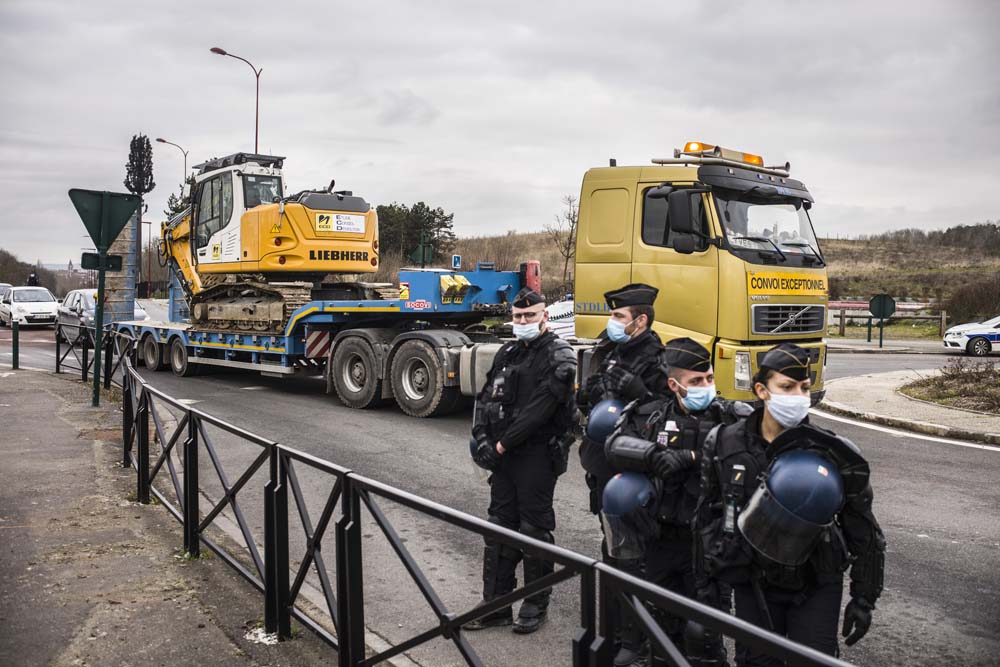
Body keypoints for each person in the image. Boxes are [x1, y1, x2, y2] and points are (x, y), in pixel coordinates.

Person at [694, 343, 885, 665]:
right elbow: (707, 516)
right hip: (752, 580)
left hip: (814, 583)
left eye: (804, 387)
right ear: (761, 390)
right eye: (786, 387)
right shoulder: (725, 442)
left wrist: (864, 598)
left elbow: (863, 527)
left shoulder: (833, 451)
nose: (798, 396)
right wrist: (705, 593)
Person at [605, 337, 749, 666]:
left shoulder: (732, 418)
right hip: (662, 539)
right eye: (696, 381)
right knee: (660, 628)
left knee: (704, 635)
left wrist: (693, 456)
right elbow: (613, 445)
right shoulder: (650, 416)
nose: (705, 386)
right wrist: (654, 455)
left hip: (709, 544)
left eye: (709, 379)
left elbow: (754, 454)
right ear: (674, 384)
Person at [465, 287, 578, 634]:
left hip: (537, 456)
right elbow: (485, 398)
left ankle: (534, 603)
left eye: (530, 316)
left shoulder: (559, 355)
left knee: (533, 530)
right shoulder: (508, 351)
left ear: (545, 316)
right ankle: (495, 604)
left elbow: (539, 412)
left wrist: (499, 447)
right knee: (498, 527)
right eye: (518, 316)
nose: (523, 321)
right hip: (503, 456)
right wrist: (482, 438)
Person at [576, 283, 667, 663]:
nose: (611, 322)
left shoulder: (657, 358)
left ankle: (635, 640)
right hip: (602, 466)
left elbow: (665, 415)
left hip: (631, 471)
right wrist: (594, 388)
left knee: (634, 557)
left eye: (618, 316)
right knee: (611, 550)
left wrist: (638, 391)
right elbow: (584, 395)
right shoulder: (608, 348)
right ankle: (613, 631)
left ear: (640, 321)